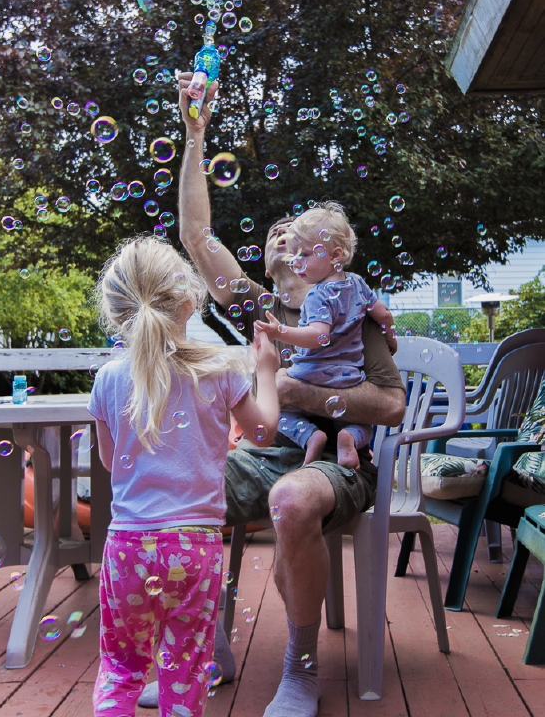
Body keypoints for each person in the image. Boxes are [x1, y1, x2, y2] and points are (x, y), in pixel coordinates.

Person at [172, 70, 406, 717]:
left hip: (338, 459)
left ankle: (301, 670)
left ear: (315, 254)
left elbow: (392, 406)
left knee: (291, 499)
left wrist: (293, 388)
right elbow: (196, 236)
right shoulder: (261, 306)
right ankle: (206, 645)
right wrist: (194, 135)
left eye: (293, 232)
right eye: (274, 232)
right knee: (176, 487)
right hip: (266, 450)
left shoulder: (349, 312)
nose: (281, 235)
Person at [88, 235, 280, 717]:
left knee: (121, 668)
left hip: (127, 547)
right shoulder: (219, 369)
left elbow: (111, 462)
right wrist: (267, 370)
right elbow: (262, 433)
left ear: (115, 313)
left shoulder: (108, 379)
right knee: (186, 670)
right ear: (189, 302)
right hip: (194, 547)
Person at [254, 201, 397, 470]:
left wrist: (279, 331)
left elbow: (318, 336)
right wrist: (391, 339)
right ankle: (348, 437)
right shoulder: (358, 283)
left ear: (335, 256)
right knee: (363, 424)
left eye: (304, 255)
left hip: (310, 373)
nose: (296, 263)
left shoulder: (316, 295)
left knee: (276, 407)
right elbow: (385, 315)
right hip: (349, 377)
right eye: (294, 257)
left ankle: (309, 436)